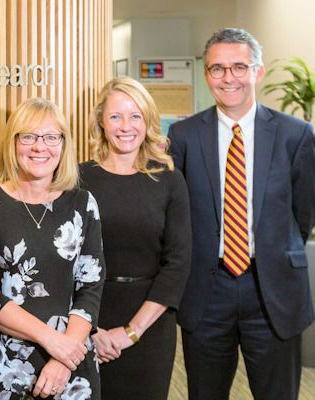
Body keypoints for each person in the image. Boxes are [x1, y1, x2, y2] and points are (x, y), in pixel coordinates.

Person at [168, 28, 315, 400]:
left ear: (258, 71)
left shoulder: (294, 135)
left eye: (239, 66)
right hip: (207, 291)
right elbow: (178, 213)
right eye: (217, 69)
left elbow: (304, 213)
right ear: (206, 75)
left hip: (273, 292)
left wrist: (270, 252)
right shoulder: (184, 136)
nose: (228, 77)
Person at [0, 97, 105, 399]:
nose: (39, 147)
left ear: (63, 144)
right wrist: (52, 341)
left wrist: (63, 356)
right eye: (29, 136)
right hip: (3, 363)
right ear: (13, 142)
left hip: (71, 365)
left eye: (51, 137)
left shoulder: (83, 204)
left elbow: (91, 288)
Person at [79, 77, 191, 400]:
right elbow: (65, 262)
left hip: (150, 325)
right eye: (115, 116)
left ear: (148, 120)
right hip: (87, 322)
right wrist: (91, 332)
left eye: (135, 116)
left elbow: (178, 263)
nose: (125, 126)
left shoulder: (169, 179)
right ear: (101, 120)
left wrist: (131, 332)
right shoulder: (78, 179)